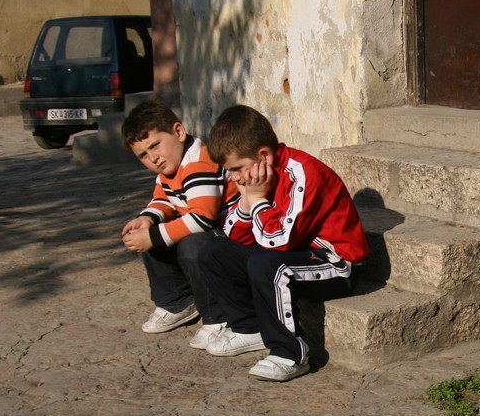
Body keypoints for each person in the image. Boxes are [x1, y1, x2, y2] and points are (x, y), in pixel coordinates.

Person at [199, 105, 369, 382]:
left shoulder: (304, 174)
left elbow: (278, 241)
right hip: (294, 252)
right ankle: (249, 328)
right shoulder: (258, 179)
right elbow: (235, 236)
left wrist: (256, 200)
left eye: (237, 169)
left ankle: (290, 353)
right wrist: (247, 200)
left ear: (264, 155)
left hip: (336, 263)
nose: (235, 178)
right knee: (215, 250)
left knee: (266, 263)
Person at [120, 98, 239, 345]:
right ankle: (178, 301)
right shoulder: (171, 168)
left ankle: (218, 316)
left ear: (178, 131)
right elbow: (163, 199)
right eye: (143, 155)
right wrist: (146, 219)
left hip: (235, 239)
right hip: (213, 235)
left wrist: (153, 236)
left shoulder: (198, 163)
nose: (153, 158)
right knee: (153, 229)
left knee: (192, 245)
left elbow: (202, 218)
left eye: (155, 145)